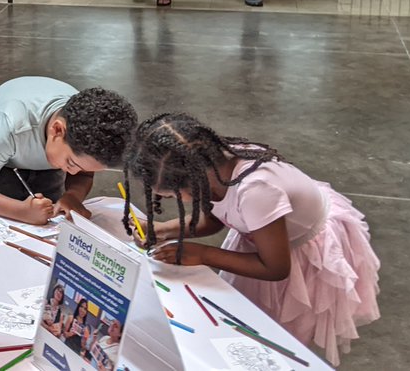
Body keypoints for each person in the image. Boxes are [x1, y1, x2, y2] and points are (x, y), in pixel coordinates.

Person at [123, 113, 381, 366]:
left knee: (280, 335)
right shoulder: (212, 164)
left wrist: (203, 254)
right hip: (264, 236)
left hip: (299, 251)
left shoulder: (256, 191)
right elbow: (217, 217)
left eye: (172, 196)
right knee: (248, 319)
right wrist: (166, 229)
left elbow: (276, 268)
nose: (169, 200)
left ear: (194, 179)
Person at [0, 77, 137, 224]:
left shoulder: (86, 135)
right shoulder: (10, 126)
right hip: (2, 145)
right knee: (3, 217)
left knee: (48, 210)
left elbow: (84, 175)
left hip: (41, 145)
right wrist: (21, 212)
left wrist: (72, 196)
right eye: (71, 163)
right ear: (57, 130)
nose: (73, 172)